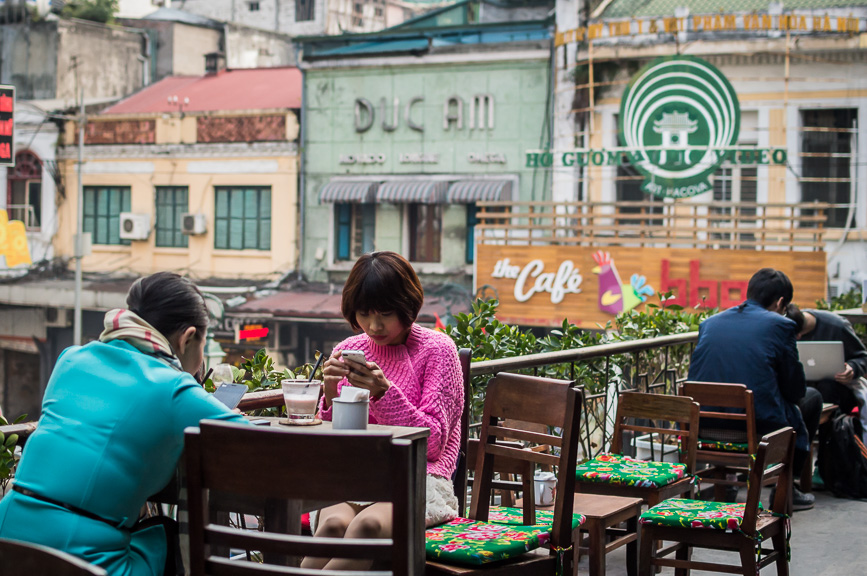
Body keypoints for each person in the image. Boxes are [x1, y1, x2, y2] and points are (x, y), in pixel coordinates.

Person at [0, 272, 247, 576]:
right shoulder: (173, 387)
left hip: (8, 536)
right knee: (172, 536)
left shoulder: (70, 358)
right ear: (187, 338)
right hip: (79, 559)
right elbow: (248, 438)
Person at [301, 251, 463, 571]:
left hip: (419, 478)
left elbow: (431, 445)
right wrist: (331, 396)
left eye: (386, 313)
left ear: (408, 306)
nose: (374, 325)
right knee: (333, 526)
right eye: (364, 313)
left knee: (367, 526)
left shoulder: (438, 350)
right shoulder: (348, 351)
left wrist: (383, 393)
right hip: (357, 474)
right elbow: (337, 441)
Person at [688, 268, 822, 510]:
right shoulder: (780, 326)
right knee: (812, 398)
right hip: (754, 429)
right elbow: (795, 391)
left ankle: (726, 481)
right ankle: (786, 488)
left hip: (702, 426)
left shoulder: (709, 323)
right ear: (781, 303)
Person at [786, 303, 867, 414]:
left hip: (836, 388)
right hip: (802, 386)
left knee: (827, 387)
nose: (798, 338)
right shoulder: (786, 325)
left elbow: (862, 357)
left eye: (800, 335)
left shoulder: (837, 326)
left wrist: (852, 368)